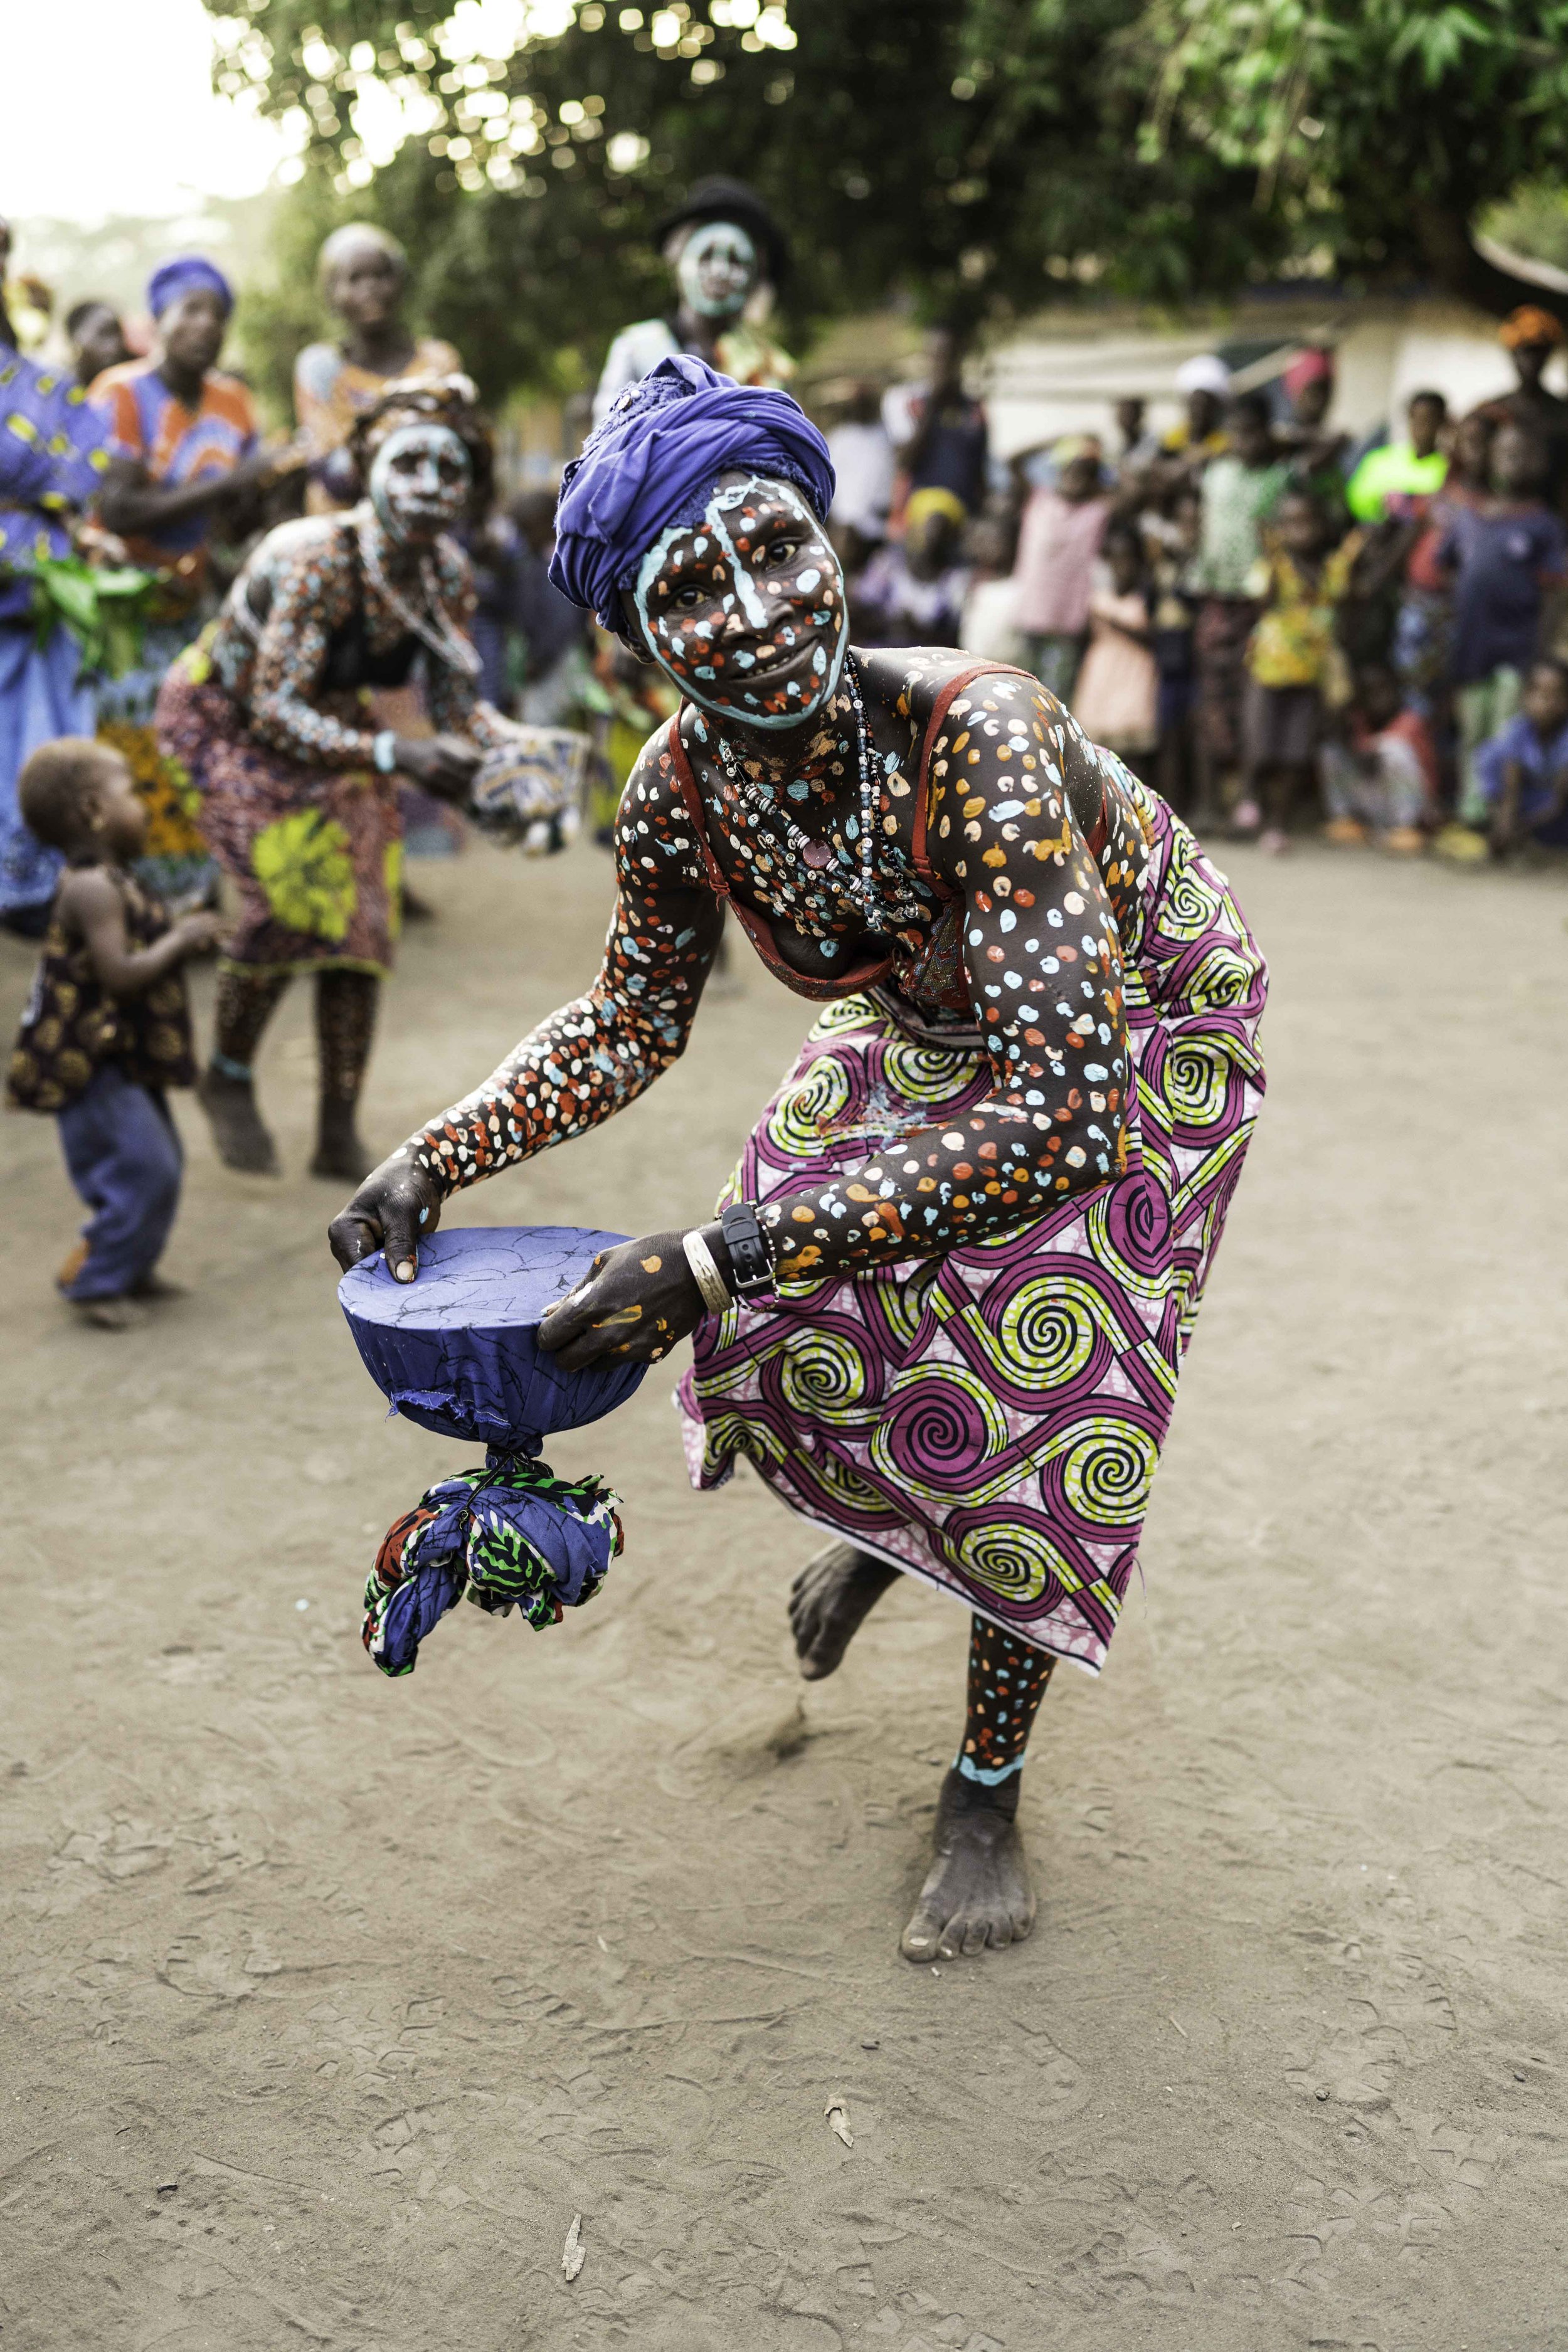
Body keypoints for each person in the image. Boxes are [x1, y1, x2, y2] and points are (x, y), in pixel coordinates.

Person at [327, 356, 1268, 1966]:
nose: (757, 608)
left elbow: (1059, 1115)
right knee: (803, 1318)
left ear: (831, 539)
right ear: (633, 645)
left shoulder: (977, 731)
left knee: (1035, 1401)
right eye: (693, 589)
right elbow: (628, 1021)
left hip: (1134, 1031)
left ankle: (982, 1789)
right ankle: (899, 1528)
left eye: (775, 548)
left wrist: (707, 1260)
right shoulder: (677, 791)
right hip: (925, 1012)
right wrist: (433, 1156)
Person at [155, 379, 571, 1183]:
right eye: (407, 463)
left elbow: (457, 710)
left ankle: (337, 1126)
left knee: (365, 926)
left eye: (448, 471)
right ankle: (228, 1075)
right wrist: (395, 756)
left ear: (468, 491)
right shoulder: (315, 557)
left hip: (333, 728)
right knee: (289, 897)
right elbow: (273, 707)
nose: (428, 485)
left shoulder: (444, 573)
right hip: (225, 718)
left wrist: (520, 761)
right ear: (366, 470)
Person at [90, 255, 302, 904]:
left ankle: (195, 893)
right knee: (132, 746)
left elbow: (236, 521)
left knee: (196, 742)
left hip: (195, 601)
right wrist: (234, 481)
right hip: (125, 606)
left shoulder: (233, 402)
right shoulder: (121, 394)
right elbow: (118, 509)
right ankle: (134, 899)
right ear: (159, 319)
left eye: (218, 315)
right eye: (191, 310)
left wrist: (274, 484)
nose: (206, 325)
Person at [5, 737, 222, 1328]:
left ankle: (130, 1266)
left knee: (161, 1163)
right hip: (91, 1064)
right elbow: (120, 976)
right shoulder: (92, 888)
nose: (145, 805)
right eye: (132, 791)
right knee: (143, 1169)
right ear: (93, 811)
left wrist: (183, 933)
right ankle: (96, 1279)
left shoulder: (112, 877)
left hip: (119, 1053)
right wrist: (180, 941)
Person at [0, 216, 113, 933]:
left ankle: (31, 883)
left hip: (40, 589)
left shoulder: (46, 387)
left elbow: (77, 482)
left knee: (43, 731)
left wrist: (83, 541)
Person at [1437, 422, 1568, 825]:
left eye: (1524, 454)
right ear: (1490, 458)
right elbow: (1447, 568)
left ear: (1540, 464)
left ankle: (1501, 815)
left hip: (1518, 647)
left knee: (1506, 730)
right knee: (1472, 728)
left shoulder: (1543, 524)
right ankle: (1471, 813)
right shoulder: (1469, 515)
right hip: (1471, 646)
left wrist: (1541, 649)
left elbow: (1554, 593)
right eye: (1506, 452)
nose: (1515, 461)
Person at [593, 177, 792, 426]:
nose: (720, 271)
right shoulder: (637, 347)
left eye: (736, 260)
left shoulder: (770, 367)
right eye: (707, 256)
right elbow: (607, 438)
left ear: (755, 274)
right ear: (678, 259)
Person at [294, 225, 462, 514]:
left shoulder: (438, 361)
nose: (369, 288)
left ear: (399, 283)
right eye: (355, 278)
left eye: (381, 275)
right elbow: (329, 467)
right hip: (342, 521)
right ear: (332, 292)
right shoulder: (320, 368)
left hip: (428, 515)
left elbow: (455, 448)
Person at [1239, 487, 1364, 850]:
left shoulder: (1330, 570)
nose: (1300, 531)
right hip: (1269, 669)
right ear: (1280, 529)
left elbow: (1348, 600)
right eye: (1290, 523)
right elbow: (1260, 602)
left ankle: (1279, 824)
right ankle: (1250, 797)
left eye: (1307, 522)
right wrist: (1271, 562)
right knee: (1260, 744)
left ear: (1322, 527)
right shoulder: (1274, 566)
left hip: (1310, 673)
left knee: (1295, 754)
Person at [1189, 393, 1291, 818]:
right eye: (1237, 433)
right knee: (1212, 698)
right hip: (1216, 596)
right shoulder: (1215, 473)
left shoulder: (1281, 477)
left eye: (1253, 433)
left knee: (1254, 698)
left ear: (1268, 433)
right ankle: (1209, 801)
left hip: (1260, 602)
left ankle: (1249, 797)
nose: (1245, 442)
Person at [1009, 437, 1113, 703]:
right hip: (1031, 617)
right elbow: (1013, 462)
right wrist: (1058, 441)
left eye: (1085, 472)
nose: (1076, 478)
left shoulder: (1096, 512)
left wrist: (1100, 454)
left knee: (1058, 701)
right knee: (1021, 696)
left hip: (1070, 623)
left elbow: (1131, 490)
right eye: (1071, 469)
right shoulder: (1038, 500)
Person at [1319, 663, 1436, 854]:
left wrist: (1368, 752)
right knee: (1331, 751)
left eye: (1384, 690)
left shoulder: (1410, 721)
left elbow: (1424, 776)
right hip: (1375, 803)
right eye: (1370, 693)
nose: (1379, 698)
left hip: (1414, 807)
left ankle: (1406, 828)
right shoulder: (1358, 722)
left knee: (1393, 748)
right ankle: (1346, 820)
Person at [1070, 520, 1158, 771]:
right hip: (1101, 674)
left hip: (1135, 674)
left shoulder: (1147, 596)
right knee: (1097, 753)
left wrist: (1114, 622)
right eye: (1115, 559)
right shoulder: (1097, 598)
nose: (1121, 566)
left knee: (1133, 754)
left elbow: (1155, 637)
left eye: (1127, 558)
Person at [1470, 306, 1568, 517]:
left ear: (1548, 356)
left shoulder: (1562, 413)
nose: (1531, 361)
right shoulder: (1491, 412)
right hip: (1499, 516)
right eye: (1525, 352)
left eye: (1539, 352)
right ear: (1513, 356)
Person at [886, 327, 990, 521]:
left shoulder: (974, 410)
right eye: (936, 357)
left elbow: (980, 470)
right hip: (923, 513)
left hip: (964, 513)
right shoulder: (911, 405)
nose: (942, 364)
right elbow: (903, 463)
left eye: (949, 356)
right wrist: (933, 406)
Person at [850, 486, 969, 648]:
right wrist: (891, 623)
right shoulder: (887, 565)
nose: (933, 537)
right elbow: (860, 610)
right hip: (876, 652)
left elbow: (955, 639)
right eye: (928, 527)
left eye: (942, 531)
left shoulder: (955, 582)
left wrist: (919, 631)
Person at [1475, 655, 1568, 855]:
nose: (1547, 703)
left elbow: (1559, 802)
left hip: (1553, 809)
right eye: (1540, 694)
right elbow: (1510, 792)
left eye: (1556, 695)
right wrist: (1505, 827)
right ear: (1525, 696)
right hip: (1528, 801)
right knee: (1490, 752)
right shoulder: (1516, 732)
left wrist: (1523, 830)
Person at [1345, 389, 1449, 524]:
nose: (1421, 430)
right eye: (1416, 420)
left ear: (1441, 423)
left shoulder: (1448, 469)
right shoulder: (1379, 460)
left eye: (1428, 422)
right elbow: (1355, 499)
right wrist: (1382, 504)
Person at [825, 379, 895, 559]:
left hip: (878, 529)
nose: (861, 407)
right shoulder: (838, 438)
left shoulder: (888, 435)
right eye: (857, 403)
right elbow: (827, 483)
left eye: (865, 403)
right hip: (845, 524)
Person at [1158, 354, 1230, 473]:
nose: (1199, 411)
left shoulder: (1224, 442)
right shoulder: (1171, 439)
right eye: (1195, 404)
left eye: (1205, 406)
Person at [65, 299, 130, 391]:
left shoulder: (138, 372)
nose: (114, 346)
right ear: (77, 343)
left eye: (117, 332)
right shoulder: (67, 388)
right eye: (104, 334)